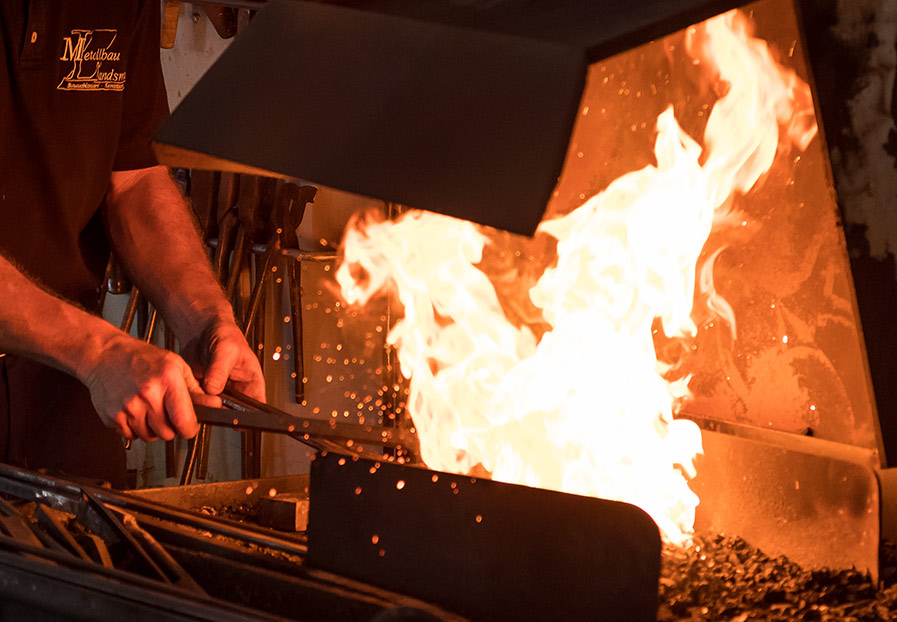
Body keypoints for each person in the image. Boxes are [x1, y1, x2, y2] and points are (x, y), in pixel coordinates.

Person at [0, 1, 265, 488]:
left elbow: (134, 178)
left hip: (63, 391)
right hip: (82, 354)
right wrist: (99, 350)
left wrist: (205, 318)